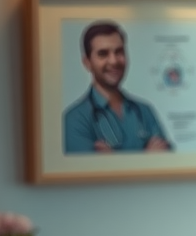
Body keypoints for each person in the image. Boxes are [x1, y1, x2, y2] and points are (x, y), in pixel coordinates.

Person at [63, 21, 173, 154]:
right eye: (103, 54)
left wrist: (112, 159)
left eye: (119, 52)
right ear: (87, 63)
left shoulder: (144, 111)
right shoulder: (75, 120)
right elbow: (86, 167)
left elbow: (167, 160)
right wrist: (147, 156)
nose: (114, 61)